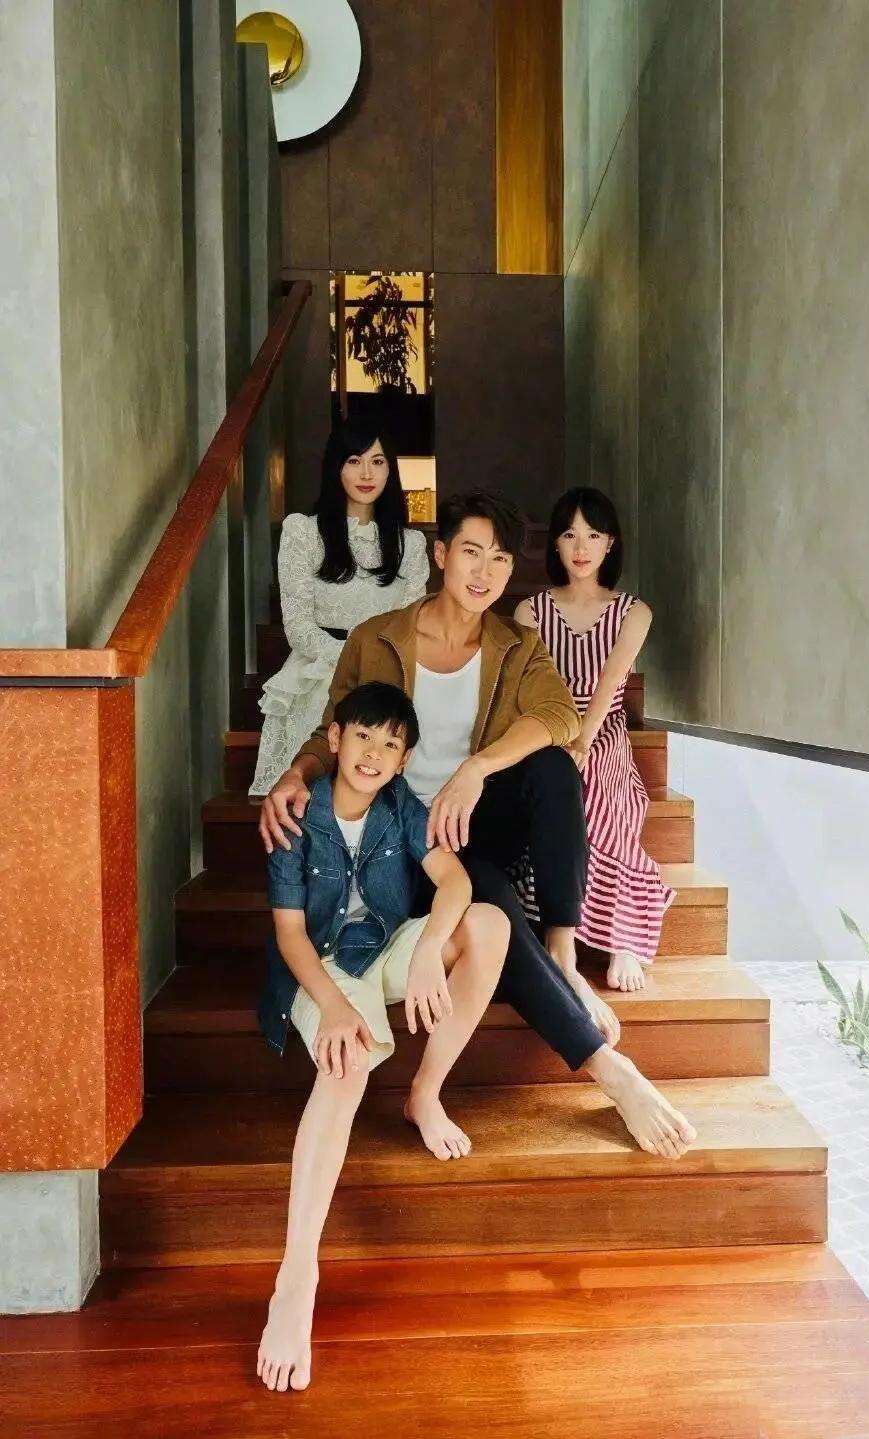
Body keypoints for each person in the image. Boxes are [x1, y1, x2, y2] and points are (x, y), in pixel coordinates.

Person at [259, 490, 696, 1166]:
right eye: (471, 551)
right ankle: (609, 1069)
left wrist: (476, 768)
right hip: (404, 840)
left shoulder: (515, 644)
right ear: (441, 554)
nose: (484, 571)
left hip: (474, 818)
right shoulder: (378, 638)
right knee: (485, 891)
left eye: (499, 558)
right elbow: (332, 732)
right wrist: (296, 773)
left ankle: (561, 949)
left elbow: (560, 715)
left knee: (552, 766)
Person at [256, 680, 508, 1393]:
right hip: (322, 969)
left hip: (386, 948)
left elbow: (454, 883)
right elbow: (290, 936)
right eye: (363, 736)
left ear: (404, 760)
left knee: (488, 924)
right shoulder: (297, 814)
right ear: (335, 739)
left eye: (391, 744)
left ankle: (425, 1094)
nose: (373, 753)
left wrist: (427, 950)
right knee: (345, 1065)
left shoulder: (400, 806)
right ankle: (296, 1278)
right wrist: (336, 1007)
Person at [514, 487, 677, 994]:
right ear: (555, 545)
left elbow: (610, 684)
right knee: (545, 781)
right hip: (548, 725)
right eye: (569, 535)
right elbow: (529, 690)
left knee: (603, 786)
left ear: (611, 543)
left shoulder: (634, 612)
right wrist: (559, 741)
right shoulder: (530, 611)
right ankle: (549, 921)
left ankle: (622, 936)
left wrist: (583, 743)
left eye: (592, 535)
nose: (580, 547)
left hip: (601, 728)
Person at [249, 420, 429, 796]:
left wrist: (374, 666)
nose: (367, 474)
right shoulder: (303, 532)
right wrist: (352, 661)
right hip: (318, 671)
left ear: (390, 470)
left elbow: (410, 626)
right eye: (354, 461)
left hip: (386, 673)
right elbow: (297, 625)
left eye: (377, 462)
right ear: (336, 466)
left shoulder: (409, 545)